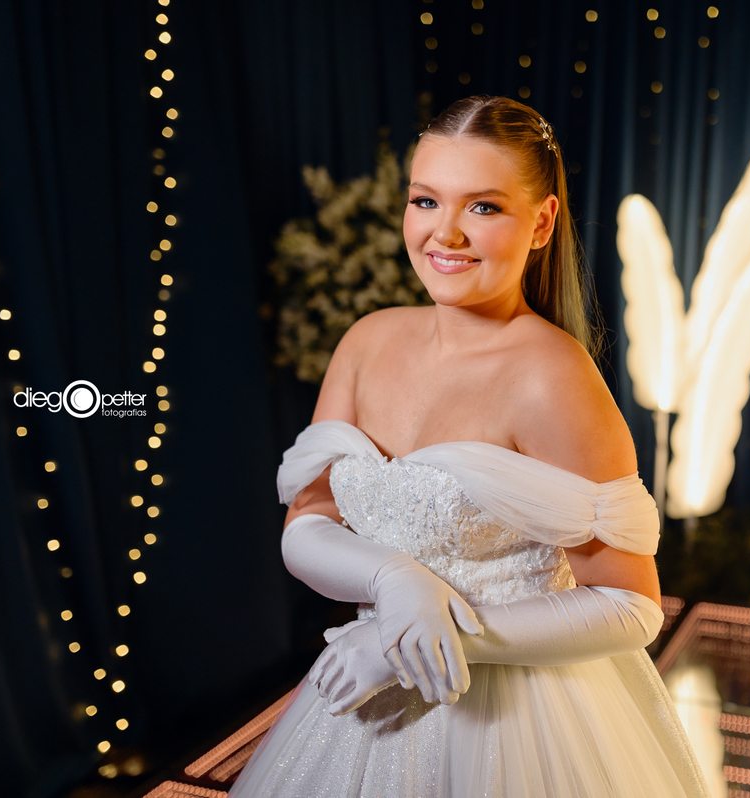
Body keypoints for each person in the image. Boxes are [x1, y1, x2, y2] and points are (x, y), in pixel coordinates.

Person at [228, 96, 709, 797]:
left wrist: (416, 644)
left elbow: (631, 605)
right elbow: (307, 522)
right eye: (426, 200)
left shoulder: (554, 377)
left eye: (482, 207)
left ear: (541, 222)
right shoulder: (366, 342)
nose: (444, 233)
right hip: (365, 715)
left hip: (519, 723)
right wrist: (394, 582)